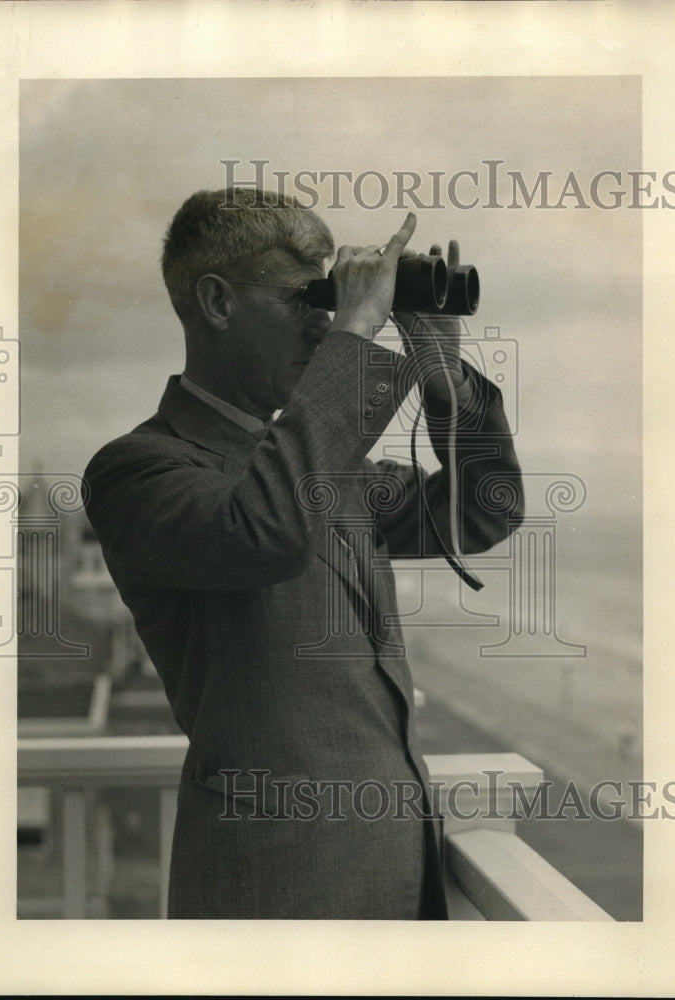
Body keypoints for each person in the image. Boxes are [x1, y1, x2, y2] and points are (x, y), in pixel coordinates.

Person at [83, 187, 523, 919]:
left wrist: (443, 381)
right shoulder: (140, 470)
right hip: (274, 894)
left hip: (393, 884)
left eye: (330, 301)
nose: (323, 324)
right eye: (303, 299)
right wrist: (356, 325)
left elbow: (484, 510)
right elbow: (267, 531)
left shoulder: (326, 468)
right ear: (218, 303)